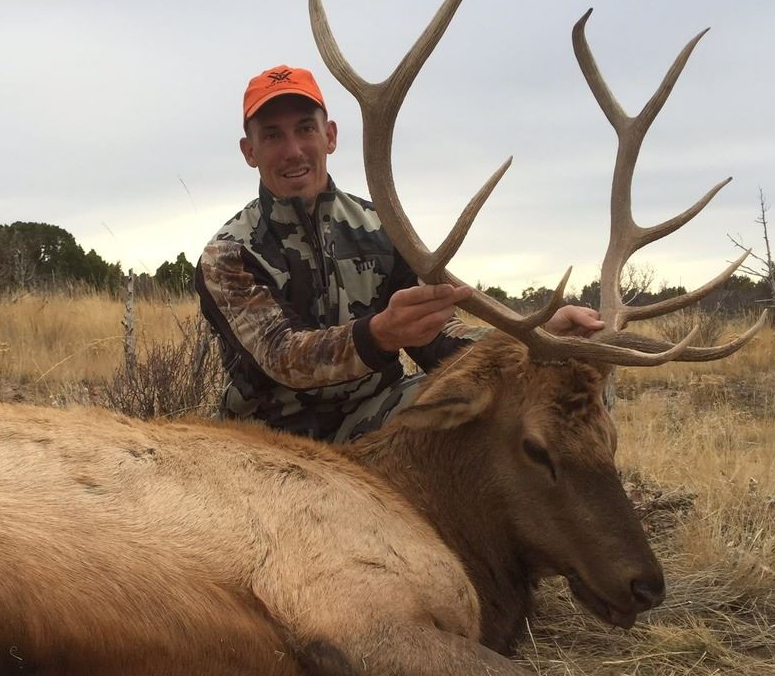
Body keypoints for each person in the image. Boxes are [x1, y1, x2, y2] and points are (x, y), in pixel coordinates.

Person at [196, 64, 602, 443]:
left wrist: (531, 338)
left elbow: (436, 339)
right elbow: (283, 356)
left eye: (305, 129)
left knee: (514, 408)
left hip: (375, 417)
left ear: (330, 136)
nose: (293, 150)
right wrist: (380, 334)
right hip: (268, 442)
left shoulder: (383, 227)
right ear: (249, 151)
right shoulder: (230, 254)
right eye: (272, 135)